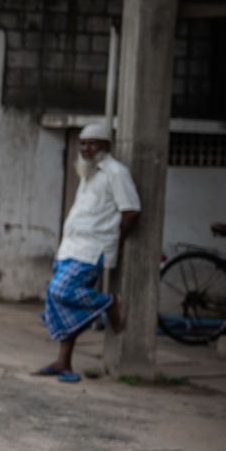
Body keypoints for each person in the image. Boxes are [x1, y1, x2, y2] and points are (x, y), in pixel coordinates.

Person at [36, 123, 141, 382]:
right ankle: (64, 362)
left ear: (105, 146)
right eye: (82, 143)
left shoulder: (116, 172)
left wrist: (118, 241)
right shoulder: (87, 172)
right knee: (61, 304)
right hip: (70, 248)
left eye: (92, 143)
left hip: (92, 251)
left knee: (61, 291)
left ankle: (109, 303)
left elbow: (131, 210)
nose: (86, 148)